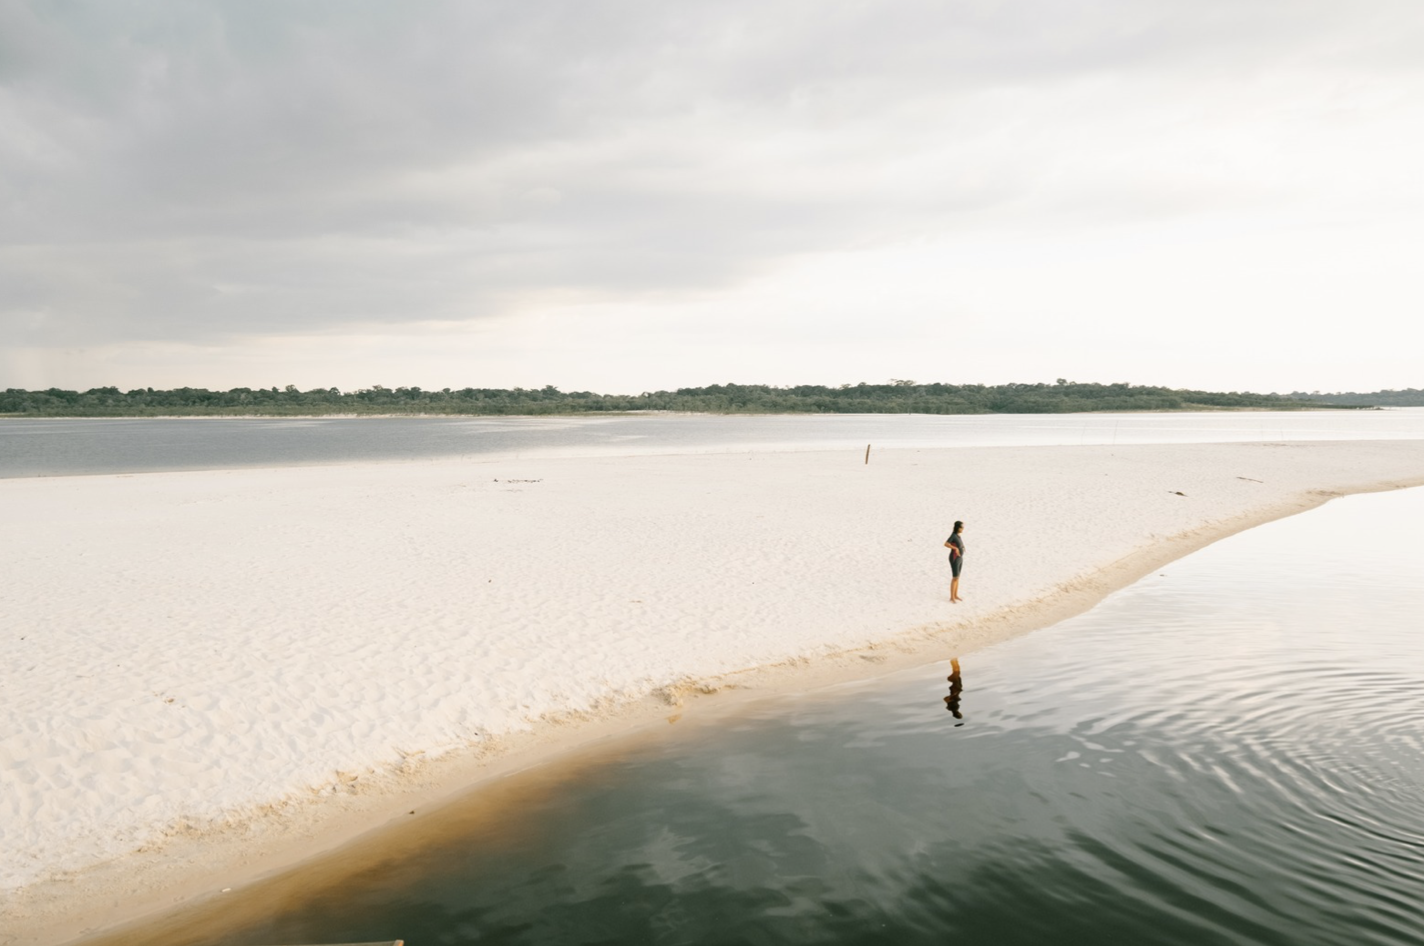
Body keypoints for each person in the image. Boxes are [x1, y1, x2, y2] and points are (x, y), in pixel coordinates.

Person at [944, 520, 965, 603]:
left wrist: (962, 547)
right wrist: (955, 548)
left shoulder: (958, 536)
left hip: (960, 558)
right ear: (958, 528)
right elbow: (946, 544)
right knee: (955, 577)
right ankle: (952, 597)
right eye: (962, 527)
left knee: (958, 577)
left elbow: (959, 544)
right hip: (954, 558)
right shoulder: (953, 535)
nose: (963, 528)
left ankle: (955, 595)